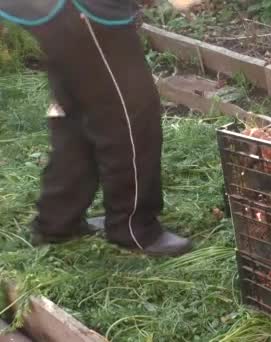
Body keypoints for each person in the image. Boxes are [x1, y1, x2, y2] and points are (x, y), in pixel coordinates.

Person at [0, 0, 201, 256]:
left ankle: (58, 220)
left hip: (45, 11)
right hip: (81, 11)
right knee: (129, 117)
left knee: (76, 116)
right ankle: (134, 229)